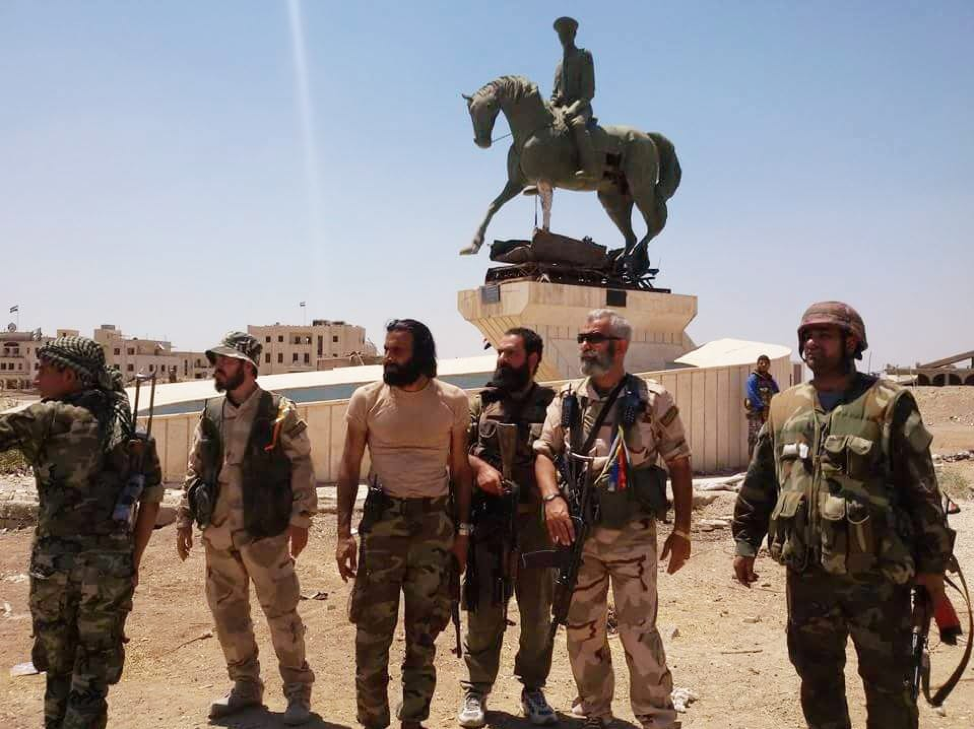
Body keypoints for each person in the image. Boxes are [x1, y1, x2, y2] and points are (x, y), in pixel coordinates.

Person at [732, 301, 954, 729]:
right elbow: (761, 481)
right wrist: (746, 542)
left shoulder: (889, 403)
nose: (811, 343)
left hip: (878, 581)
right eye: (806, 335)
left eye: (824, 334)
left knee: (888, 684)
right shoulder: (783, 407)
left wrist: (932, 567)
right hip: (808, 578)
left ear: (851, 342)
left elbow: (922, 490)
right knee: (817, 682)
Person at [534, 309, 693, 729]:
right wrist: (552, 498)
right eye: (581, 337)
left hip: (633, 535)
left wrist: (682, 530)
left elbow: (679, 462)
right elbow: (544, 454)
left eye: (593, 338)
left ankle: (657, 716)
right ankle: (595, 714)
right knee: (582, 629)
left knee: (638, 631)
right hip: (579, 535)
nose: (584, 345)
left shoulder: (650, 399)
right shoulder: (567, 398)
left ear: (619, 346)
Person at [0, 335, 163, 728]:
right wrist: (132, 562)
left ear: (70, 375)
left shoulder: (47, 417)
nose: (36, 376)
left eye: (44, 369)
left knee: (57, 668)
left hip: (54, 570)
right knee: (90, 675)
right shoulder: (133, 432)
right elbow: (151, 504)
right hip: (109, 572)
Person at [336, 319, 473, 729]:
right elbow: (348, 466)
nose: (387, 358)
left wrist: (462, 533)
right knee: (372, 632)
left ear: (421, 354)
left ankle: (413, 719)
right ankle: (372, 720)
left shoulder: (452, 400)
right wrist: (343, 534)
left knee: (424, 632)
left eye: (397, 351)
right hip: (382, 523)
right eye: (387, 349)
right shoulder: (367, 399)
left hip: (434, 523)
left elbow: (461, 471)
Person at [175, 332, 317, 725]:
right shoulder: (212, 411)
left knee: (282, 614)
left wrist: (301, 520)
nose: (218, 367)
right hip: (219, 533)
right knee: (228, 615)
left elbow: (302, 466)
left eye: (227, 360)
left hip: (265, 532)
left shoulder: (279, 412)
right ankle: (245, 686)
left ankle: (297, 692)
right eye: (218, 360)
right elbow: (197, 468)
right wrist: (185, 518)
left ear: (248, 366)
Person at [458, 328, 557, 728]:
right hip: (490, 524)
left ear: (533, 358)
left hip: (536, 526)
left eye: (510, 353)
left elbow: (563, 458)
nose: (501, 359)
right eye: (499, 352)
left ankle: (533, 689)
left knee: (537, 613)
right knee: (484, 607)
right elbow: (455, 454)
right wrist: (479, 466)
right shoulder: (479, 405)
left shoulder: (553, 407)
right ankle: (476, 689)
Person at [550, 16, 598, 183]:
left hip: (581, 108)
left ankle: (589, 167)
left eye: (567, 33)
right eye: (561, 34)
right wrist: (550, 106)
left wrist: (573, 108)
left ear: (574, 34)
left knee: (577, 125)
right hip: (560, 111)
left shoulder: (584, 56)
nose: (564, 37)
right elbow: (555, 95)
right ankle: (541, 178)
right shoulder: (558, 66)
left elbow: (589, 92)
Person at [744, 354, 779, 457]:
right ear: (757, 364)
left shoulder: (771, 381)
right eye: (761, 362)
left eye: (766, 363)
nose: (763, 365)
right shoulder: (753, 379)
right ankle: (752, 465)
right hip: (757, 414)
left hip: (770, 414)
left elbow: (777, 393)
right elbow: (751, 394)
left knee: (769, 439)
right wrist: (762, 407)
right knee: (755, 439)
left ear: (769, 365)